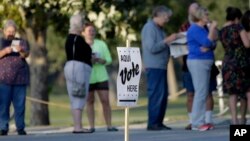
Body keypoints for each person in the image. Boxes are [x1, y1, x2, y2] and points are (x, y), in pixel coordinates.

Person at [141, 5, 182, 131]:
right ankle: (153, 123)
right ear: (157, 15)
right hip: (154, 67)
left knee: (163, 95)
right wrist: (168, 40)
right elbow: (152, 48)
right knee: (156, 95)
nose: (167, 20)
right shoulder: (149, 28)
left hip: (161, 66)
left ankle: (159, 122)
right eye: (166, 17)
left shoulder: (160, 29)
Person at [179, 3, 217, 130]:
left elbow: (212, 43)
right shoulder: (195, 29)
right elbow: (207, 42)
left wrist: (209, 42)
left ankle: (200, 121)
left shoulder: (203, 28)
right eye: (206, 15)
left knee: (203, 92)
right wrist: (211, 31)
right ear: (200, 17)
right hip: (198, 62)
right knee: (200, 92)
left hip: (205, 62)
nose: (208, 17)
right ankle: (197, 123)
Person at [82, 22, 118, 132]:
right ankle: (92, 126)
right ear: (83, 33)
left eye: (93, 30)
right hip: (88, 77)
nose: (92, 33)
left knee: (105, 101)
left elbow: (109, 59)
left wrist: (102, 61)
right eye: (89, 31)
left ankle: (109, 125)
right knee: (90, 101)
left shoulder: (101, 44)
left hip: (101, 76)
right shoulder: (81, 45)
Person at [219, 7, 250, 125]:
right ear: (237, 18)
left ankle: (234, 120)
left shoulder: (222, 31)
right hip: (241, 63)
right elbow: (247, 44)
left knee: (232, 94)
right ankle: (243, 119)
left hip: (227, 63)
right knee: (246, 91)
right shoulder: (239, 28)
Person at [64, 13, 92, 133]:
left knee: (74, 96)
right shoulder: (77, 39)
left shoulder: (69, 39)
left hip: (71, 67)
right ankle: (77, 127)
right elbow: (85, 54)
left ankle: (77, 125)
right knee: (79, 96)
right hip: (79, 68)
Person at [0, 20, 30, 136]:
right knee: (3, 105)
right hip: (3, 79)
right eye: (8, 31)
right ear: (4, 31)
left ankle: (20, 127)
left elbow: (26, 55)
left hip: (20, 79)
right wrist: (4, 51)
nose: (10, 33)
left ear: (15, 31)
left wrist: (21, 50)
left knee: (20, 105)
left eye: (13, 31)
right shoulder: (1, 41)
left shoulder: (21, 42)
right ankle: (3, 127)